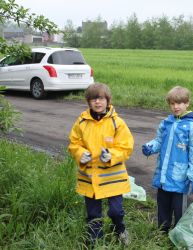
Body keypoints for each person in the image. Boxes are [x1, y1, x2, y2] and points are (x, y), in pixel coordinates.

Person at [68, 83, 134, 247]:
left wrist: (111, 155)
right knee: (93, 214)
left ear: (108, 100)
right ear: (88, 102)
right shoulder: (81, 122)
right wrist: (80, 154)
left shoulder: (117, 123)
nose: (97, 102)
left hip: (113, 178)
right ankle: (95, 241)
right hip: (89, 177)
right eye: (93, 99)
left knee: (116, 212)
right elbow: (74, 143)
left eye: (101, 98)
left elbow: (126, 147)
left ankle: (120, 229)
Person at [142, 86, 193, 233]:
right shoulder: (165, 123)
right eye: (172, 103)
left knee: (179, 210)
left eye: (180, 103)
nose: (176, 107)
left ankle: (179, 235)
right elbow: (159, 141)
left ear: (187, 103)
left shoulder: (192, 127)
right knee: (163, 205)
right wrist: (150, 147)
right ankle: (162, 232)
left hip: (180, 177)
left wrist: (192, 174)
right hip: (163, 176)